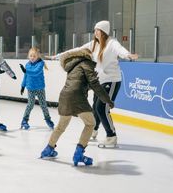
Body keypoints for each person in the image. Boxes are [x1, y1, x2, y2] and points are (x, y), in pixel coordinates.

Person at [50, 20, 138, 148]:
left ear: (104, 32)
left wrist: (128, 55)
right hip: (99, 81)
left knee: (102, 108)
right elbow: (77, 50)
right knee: (95, 107)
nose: (95, 32)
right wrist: (57, 56)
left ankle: (111, 136)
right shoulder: (93, 45)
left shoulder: (112, 43)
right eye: (95, 30)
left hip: (112, 80)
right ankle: (94, 130)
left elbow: (121, 50)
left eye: (98, 30)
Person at [40, 48, 114, 166]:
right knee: (90, 123)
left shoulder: (73, 65)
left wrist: (90, 86)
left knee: (60, 126)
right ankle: (79, 153)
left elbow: (79, 82)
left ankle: (48, 148)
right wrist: (107, 100)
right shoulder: (87, 63)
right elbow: (94, 83)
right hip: (77, 98)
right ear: (89, 56)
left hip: (65, 96)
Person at [19, 47, 54, 130]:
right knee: (30, 104)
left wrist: (26, 71)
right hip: (30, 88)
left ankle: (48, 119)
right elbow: (26, 76)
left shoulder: (40, 63)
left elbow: (35, 72)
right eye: (30, 56)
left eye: (34, 56)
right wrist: (23, 86)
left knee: (43, 105)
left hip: (40, 88)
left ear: (38, 56)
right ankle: (24, 120)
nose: (32, 57)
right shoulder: (27, 64)